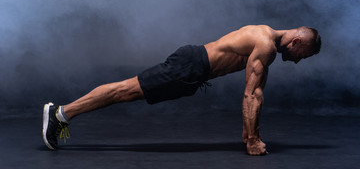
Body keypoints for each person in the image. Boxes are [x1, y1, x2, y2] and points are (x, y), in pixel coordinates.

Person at [42, 25, 321, 155]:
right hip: (189, 67)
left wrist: (251, 133)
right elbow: (251, 94)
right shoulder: (265, 45)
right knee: (124, 91)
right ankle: (61, 114)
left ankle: (63, 114)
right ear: (296, 41)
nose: (297, 61)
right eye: (302, 55)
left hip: (192, 71)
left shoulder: (265, 38)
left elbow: (255, 92)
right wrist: (251, 141)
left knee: (128, 91)